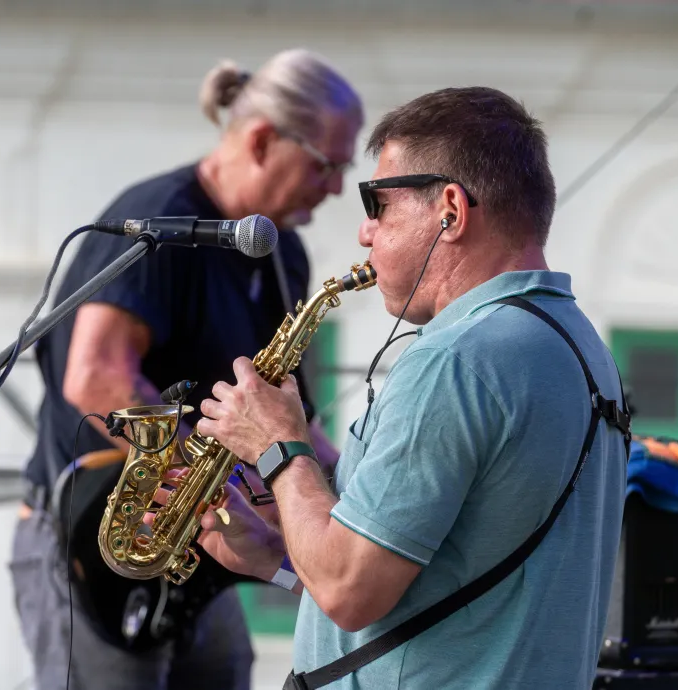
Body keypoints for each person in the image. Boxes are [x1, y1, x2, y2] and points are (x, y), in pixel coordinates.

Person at [191, 86, 631, 689]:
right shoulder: (577, 345)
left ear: (450, 208)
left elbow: (351, 590)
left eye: (377, 204)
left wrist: (279, 446)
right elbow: (436, 592)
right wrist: (277, 556)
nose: (364, 234)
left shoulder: (457, 359)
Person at [10, 48, 363, 690]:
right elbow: (95, 379)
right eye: (328, 164)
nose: (338, 187)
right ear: (261, 140)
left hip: (197, 543)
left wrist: (353, 489)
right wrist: (204, 478)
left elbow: (283, 418)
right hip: (99, 544)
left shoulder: (281, 254)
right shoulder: (158, 223)